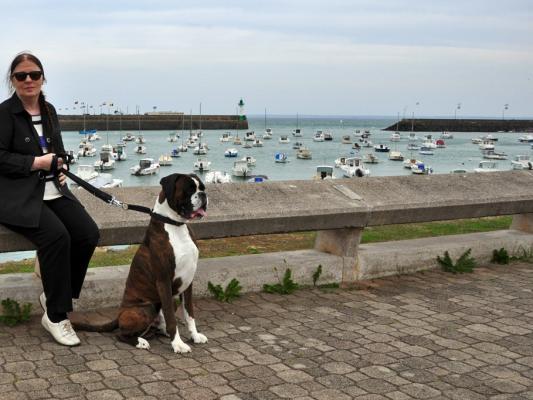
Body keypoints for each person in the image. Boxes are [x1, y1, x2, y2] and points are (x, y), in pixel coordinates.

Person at [0, 52, 100, 346]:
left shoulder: (50, 110)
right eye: (21, 76)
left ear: (43, 78)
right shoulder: (4, 114)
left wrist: (61, 165)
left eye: (34, 74)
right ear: (13, 81)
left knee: (87, 234)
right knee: (56, 237)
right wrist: (36, 163)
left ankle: (55, 294)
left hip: (54, 190)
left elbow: (56, 147)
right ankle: (56, 315)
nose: (28, 80)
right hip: (17, 196)